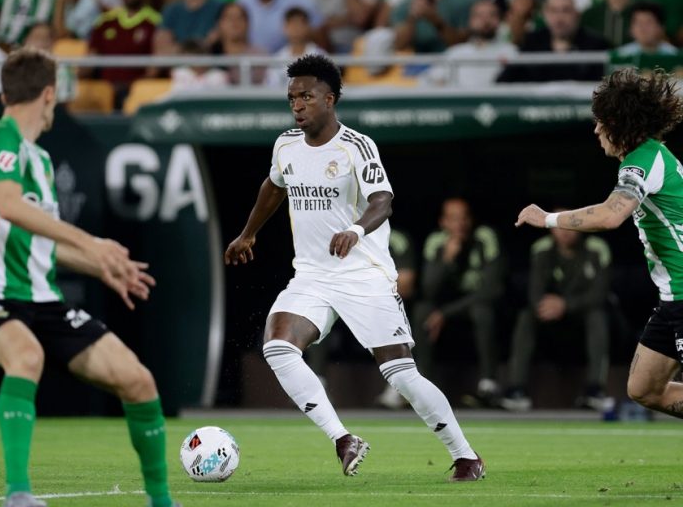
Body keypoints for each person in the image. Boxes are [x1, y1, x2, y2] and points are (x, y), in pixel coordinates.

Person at [224, 54, 485, 481]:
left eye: (306, 97)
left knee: (401, 374)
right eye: (292, 98)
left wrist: (356, 230)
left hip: (363, 274)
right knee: (278, 346)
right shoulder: (285, 145)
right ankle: (343, 439)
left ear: (330, 99)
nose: (297, 105)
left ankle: (466, 456)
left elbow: (383, 200)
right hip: (312, 275)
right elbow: (273, 185)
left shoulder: (356, 146)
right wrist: (248, 233)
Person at [0, 48, 178, 507]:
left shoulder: (40, 160)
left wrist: (101, 266)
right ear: (49, 95)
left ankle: (161, 501)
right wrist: (92, 244)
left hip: (43, 298)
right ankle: (18, 495)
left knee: (138, 380)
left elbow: (37, 242)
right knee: (26, 356)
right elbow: (8, 205)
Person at [515, 67, 683, 421]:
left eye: (601, 122)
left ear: (620, 124)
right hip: (672, 297)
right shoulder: (649, 157)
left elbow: (610, 215)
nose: (595, 130)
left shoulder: (643, 161)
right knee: (644, 388)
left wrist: (548, 218)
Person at [501, 216, 613, 412]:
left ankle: (595, 389)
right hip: (551, 322)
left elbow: (600, 294)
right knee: (526, 316)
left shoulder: (596, 248)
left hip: (582, 320)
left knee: (597, 315)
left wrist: (566, 305)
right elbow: (535, 294)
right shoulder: (542, 249)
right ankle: (517, 390)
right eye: (558, 224)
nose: (564, 230)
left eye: (569, 222)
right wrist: (550, 306)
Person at [413, 198, 503, 405]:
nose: (460, 224)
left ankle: (488, 385)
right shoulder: (436, 241)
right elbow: (428, 289)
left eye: (464, 218)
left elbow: (492, 289)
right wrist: (446, 259)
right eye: (453, 219)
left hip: (473, 303)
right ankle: (423, 386)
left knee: (482, 311)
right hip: (445, 304)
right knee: (421, 311)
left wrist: (445, 314)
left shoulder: (485, 237)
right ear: (443, 222)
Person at [497, 0, 609, 83]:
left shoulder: (596, 45)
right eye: (553, 10)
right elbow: (503, 82)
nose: (559, 18)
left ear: (577, 14)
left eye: (566, 10)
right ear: (545, 14)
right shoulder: (531, 42)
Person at [424, 0, 517, 87]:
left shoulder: (511, 52)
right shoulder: (455, 53)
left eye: (492, 15)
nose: (486, 20)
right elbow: (430, 80)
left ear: (500, 20)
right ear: (470, 21)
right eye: (479, 16)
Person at [264, 7, 327, 88]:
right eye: (292, 24)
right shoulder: (277, 58)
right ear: (285, 27)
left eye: (300, 24)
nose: (296, 28)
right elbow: (270, 88)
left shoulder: (321, 56)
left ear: (308, 27)